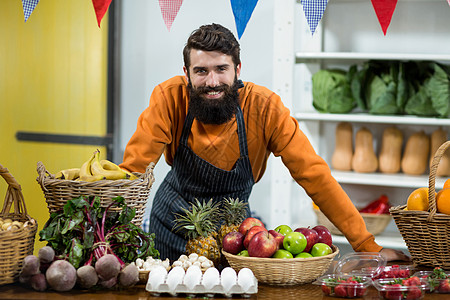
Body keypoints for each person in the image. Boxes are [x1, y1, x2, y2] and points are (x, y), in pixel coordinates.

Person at [120, 23, 410, 262]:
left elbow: (314, 175)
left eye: (221, 69)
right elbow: (132, 173)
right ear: (187, 73)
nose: (212, 82)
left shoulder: (264, 108)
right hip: (172, 226)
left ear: (238, 69)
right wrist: (110, 237)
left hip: (236, 238)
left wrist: (366, 245)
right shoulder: (169, 98)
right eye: (201, 71)